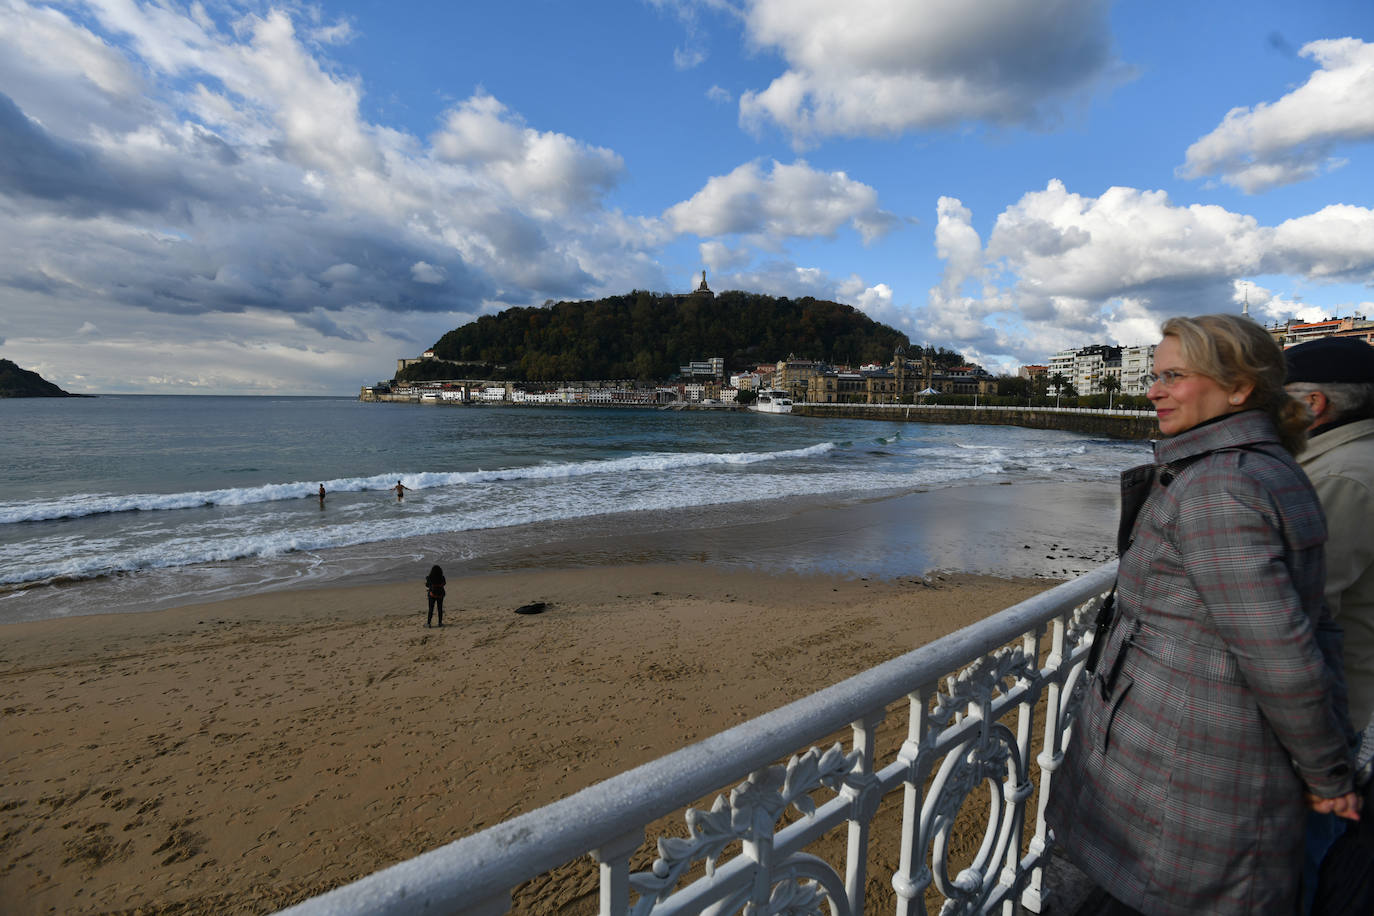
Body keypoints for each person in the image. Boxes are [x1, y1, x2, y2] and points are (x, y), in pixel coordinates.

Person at [1047, 314, 1358, 916]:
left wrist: (1328, 778)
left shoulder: (1219, 487)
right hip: (1203, 759)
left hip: (1196, 772)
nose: (1154, 390)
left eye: (1175, 376)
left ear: (1240, 388)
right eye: (1156, 375)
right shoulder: (1258, 466)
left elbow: (1282, 656)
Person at [1286, 336, 1374, 911]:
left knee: (1296, 860)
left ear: (1314, 405)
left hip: (1318, 713)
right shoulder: (1346, 461)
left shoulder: (1344, 476)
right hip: (1335, 705)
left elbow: (1306, 608)